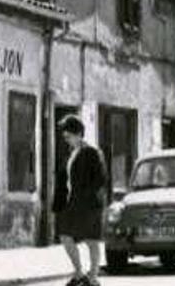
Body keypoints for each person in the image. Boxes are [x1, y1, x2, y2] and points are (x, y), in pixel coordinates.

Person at [53, 115, 108, 286]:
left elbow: (100, 179)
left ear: (78, 133)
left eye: (68, 135)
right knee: (64, 235)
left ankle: (92, 277)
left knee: (91, 240)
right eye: (64, 135)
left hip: (89, 204)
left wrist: (87, 197)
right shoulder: (72, 153)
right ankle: (79, 272)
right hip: (73, 203)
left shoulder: (91, 152)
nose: (65, 138)